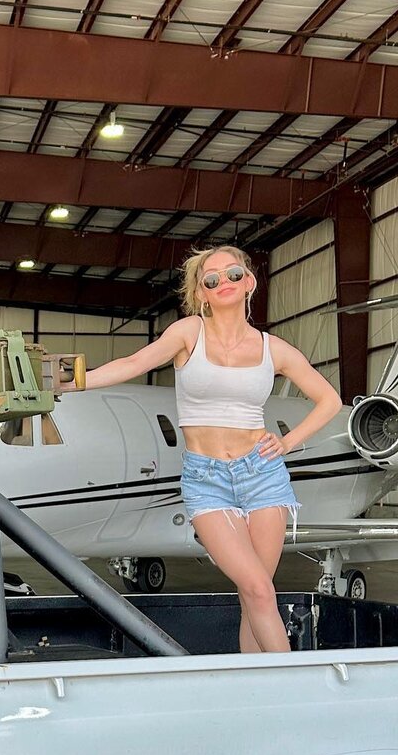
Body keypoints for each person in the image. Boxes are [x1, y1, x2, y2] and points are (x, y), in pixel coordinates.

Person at [82, 246, 343, 653]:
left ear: (249, 282)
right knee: (258, 589)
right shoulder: (189, 333)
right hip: (207, 480)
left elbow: (330, 400)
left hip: (263, 476)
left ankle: (259, 684)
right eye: (212, 279)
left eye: (233, 274)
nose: (224, 282)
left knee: (254, 596)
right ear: (202, 292)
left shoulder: (273, 349)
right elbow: (133, 364)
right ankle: (294, 681)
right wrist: (74, 382)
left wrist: (287, 442)